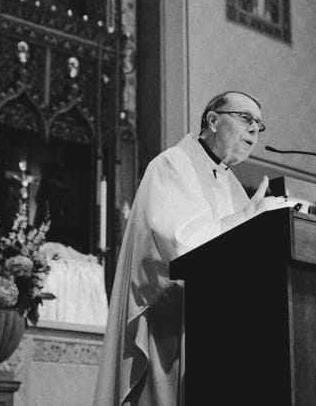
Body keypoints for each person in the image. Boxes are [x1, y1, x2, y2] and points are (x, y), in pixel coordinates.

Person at [93, 91, 297, 406]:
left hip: (217, 328)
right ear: (213, 120)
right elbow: (179, 244)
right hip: (170, 324)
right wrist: (244, 218)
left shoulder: (231, 184)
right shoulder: (173, 163)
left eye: (259, 124)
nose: (255, 130)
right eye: (246, 119)